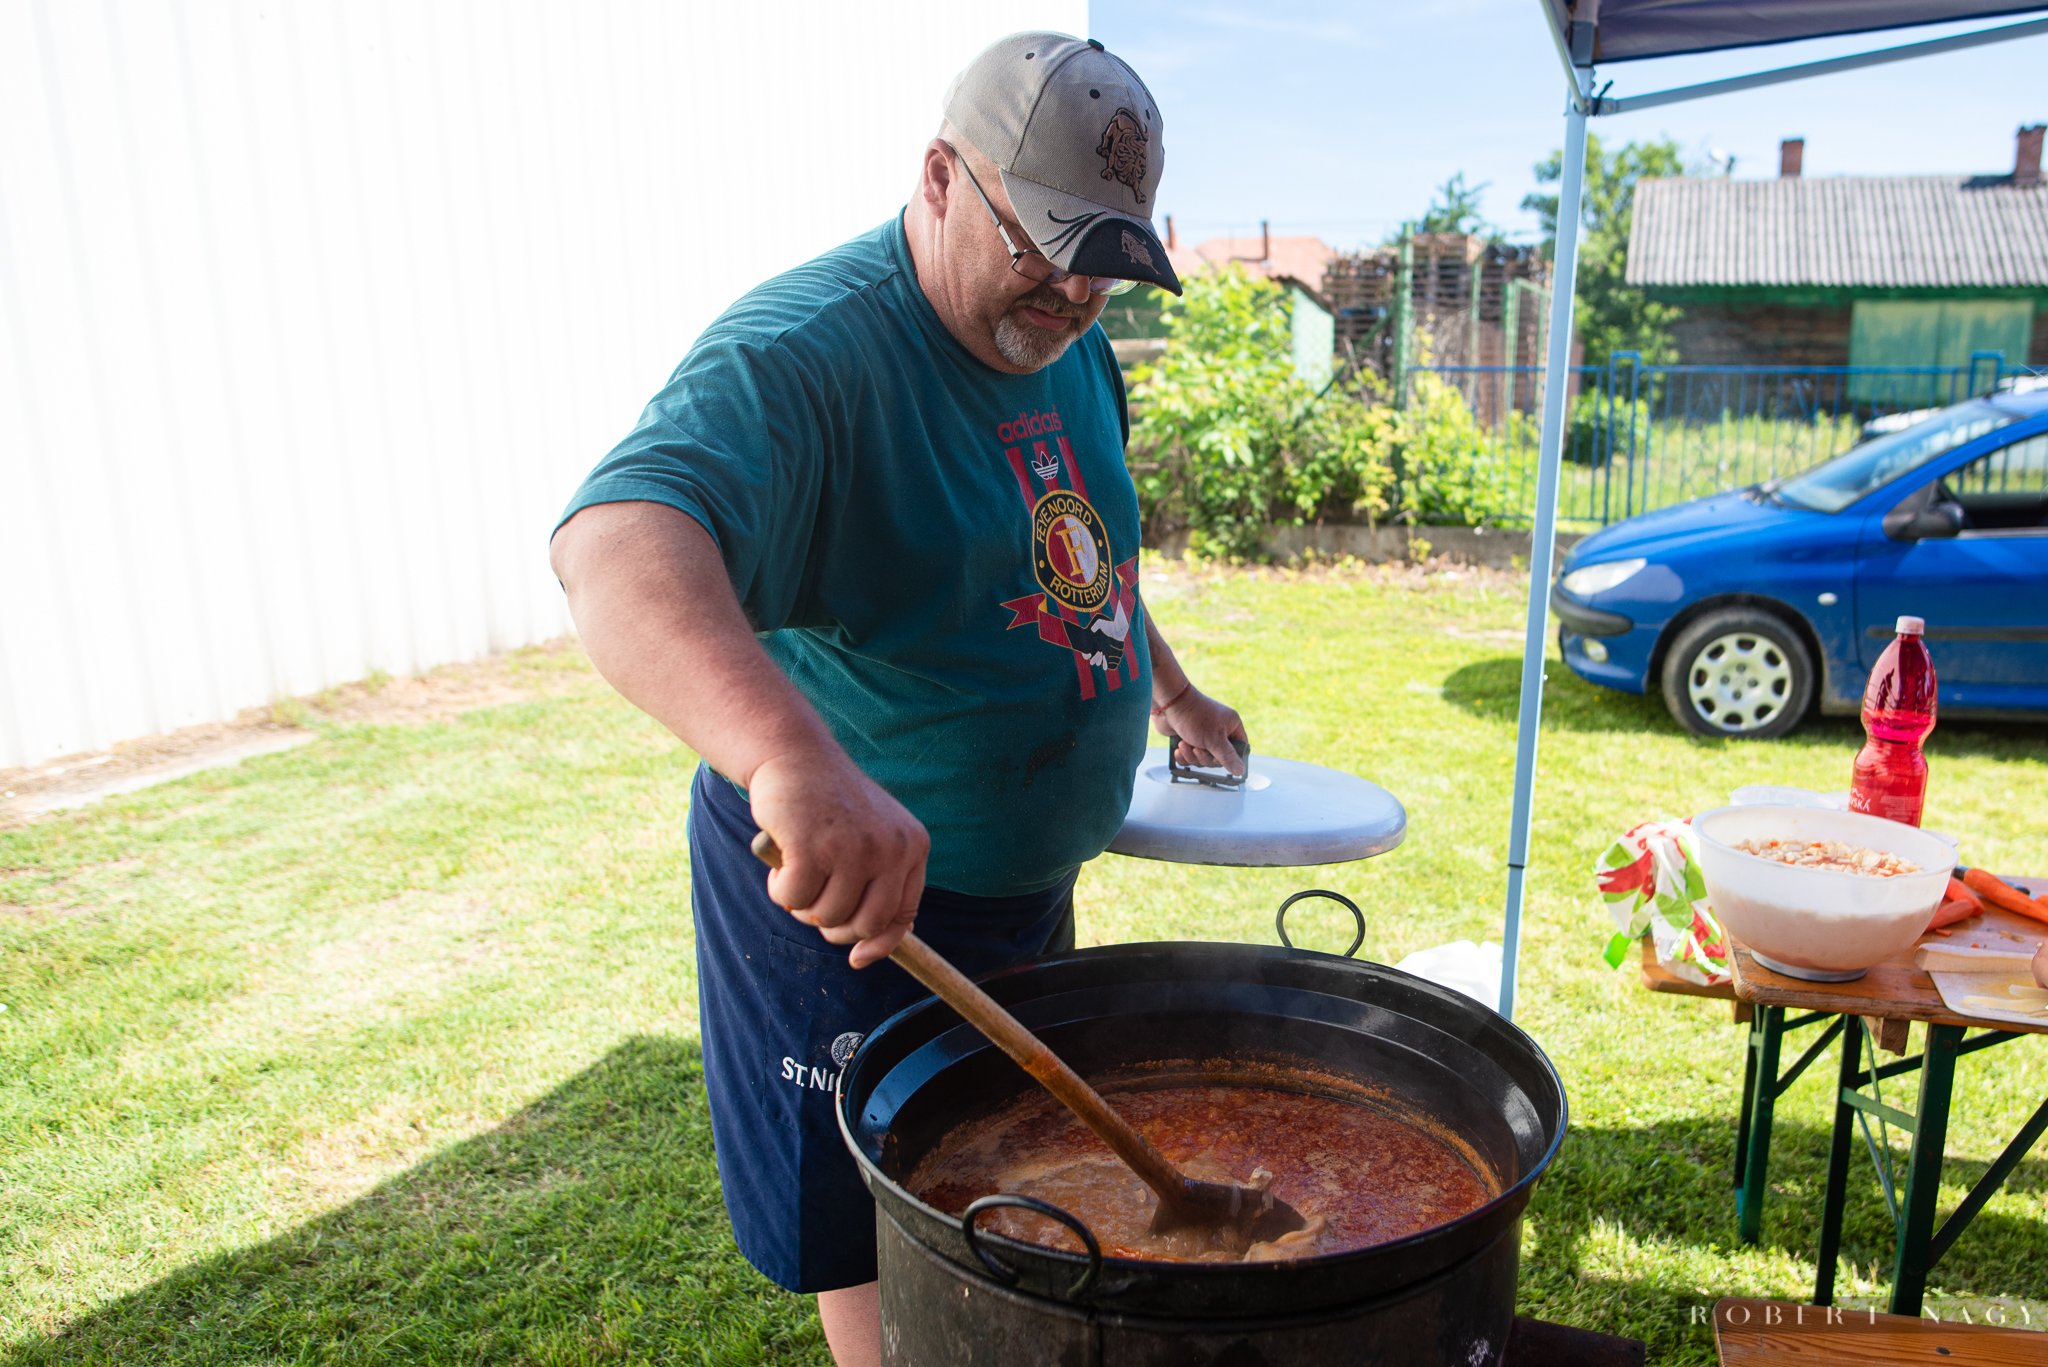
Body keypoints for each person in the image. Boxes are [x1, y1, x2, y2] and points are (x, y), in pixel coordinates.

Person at [548, 32, 1245, 1367]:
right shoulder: (807, 357)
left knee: (1018, 1184)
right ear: (938, 177)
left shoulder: (1070, 343)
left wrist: (1171, 687)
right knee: (880, 1230)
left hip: (1021, 888)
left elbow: (1088, 552)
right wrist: (786, 758)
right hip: (860, 916)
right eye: (1043, 241)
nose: (1076, 290)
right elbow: (617, 543)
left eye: (1107, 254)